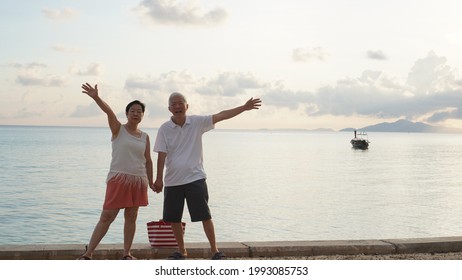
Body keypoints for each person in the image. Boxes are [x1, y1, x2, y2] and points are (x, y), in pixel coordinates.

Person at [153, 92, 262, 260]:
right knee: (174, 218)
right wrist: (159, 178)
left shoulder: (196, 122)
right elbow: (161, 155)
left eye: (180, 103)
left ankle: (215, 251)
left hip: (195, 178)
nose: (177, 106)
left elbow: (222, 115)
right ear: (169, 109)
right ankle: (182, 252)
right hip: (172, 181)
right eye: (173, 104)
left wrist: (244, 107)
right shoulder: (164, 129)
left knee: (205, 215)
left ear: (186, 106)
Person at [77, 83, 158, 260]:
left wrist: (151, 181)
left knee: (131, 217)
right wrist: (96, 97)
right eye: (132, 111)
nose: (136, 114)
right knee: (107, 216)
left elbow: (148, 161)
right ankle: (88, 253)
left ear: (143, 116)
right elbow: (109, 112)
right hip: (118, 179)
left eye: (139, 112)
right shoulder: (118, 129)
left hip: (138, 181)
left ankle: (127, 254)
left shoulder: (145, 136)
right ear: (127, 114)